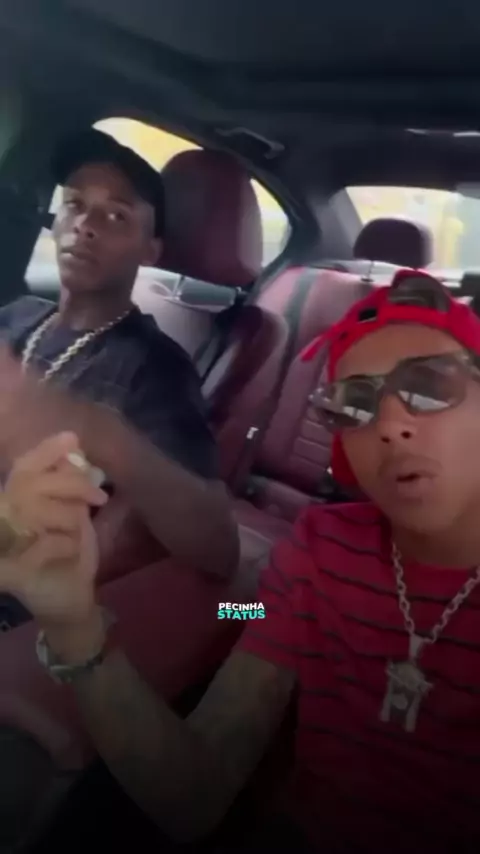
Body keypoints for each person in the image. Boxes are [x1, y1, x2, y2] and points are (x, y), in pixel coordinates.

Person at [5, 268, 480, 852]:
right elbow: (195, 795)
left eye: (430, 385)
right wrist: (76, 625)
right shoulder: (319, 553)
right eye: (355, 404)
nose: (389, 425)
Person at [0, 129, 238, 578]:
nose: (84, 225)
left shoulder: (156, 369)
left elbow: (221, 552)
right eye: (74, 203)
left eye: (116, 215)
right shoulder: (18, 314)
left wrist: (94, 430)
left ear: (150, 250)